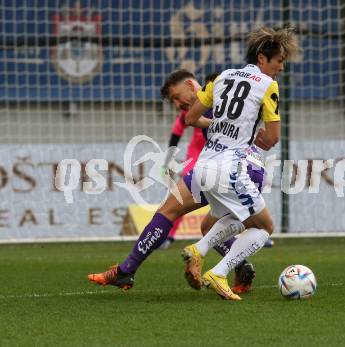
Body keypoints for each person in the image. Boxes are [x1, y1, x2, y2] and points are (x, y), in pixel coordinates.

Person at [87, 70, 266, 294]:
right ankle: (240, 265)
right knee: (208, 226)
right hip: (250, 167)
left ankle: (127, 270)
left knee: (167, 212)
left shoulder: (212, 95)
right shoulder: (225, 97)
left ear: (191, 85)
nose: (176, 103)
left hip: (230, 168)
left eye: (176, 96)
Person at [182, 26, 300, 300]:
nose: (281, 67)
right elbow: (272, 138)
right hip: (230, 169)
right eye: (279, 61)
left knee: (233, 218)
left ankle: (197, 251)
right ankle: (219, 272)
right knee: (265, 227)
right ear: (262, 59)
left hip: (203, 167)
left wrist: (220, 126)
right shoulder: (268, 85)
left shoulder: (221, 77)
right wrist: (258, 139)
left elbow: (190, 118)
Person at [159, 73, 219, 249]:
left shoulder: (221, 101)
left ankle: (252, 232)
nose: (177, 104)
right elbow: (177, 132)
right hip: (196, 155)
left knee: (237, 194)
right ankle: (168, 236)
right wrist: (167, 161)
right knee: (180, 195)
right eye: (174, 100)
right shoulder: (190, 109)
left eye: (177, 97)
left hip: (220, 155)